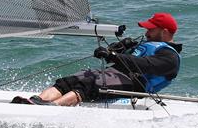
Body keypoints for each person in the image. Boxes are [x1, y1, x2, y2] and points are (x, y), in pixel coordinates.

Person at [13, 12, 182, 106]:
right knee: (69, 81)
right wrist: (117, 48)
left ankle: (53, 108)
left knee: (89, 84)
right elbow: (116, 56)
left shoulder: (170, 57)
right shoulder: (145, 44)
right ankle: (38, 101)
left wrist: (114, 56)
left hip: (134, 86)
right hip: (112, 75)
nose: (147, 33)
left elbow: (143, 65)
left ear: (165, 32)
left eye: (151, 29)